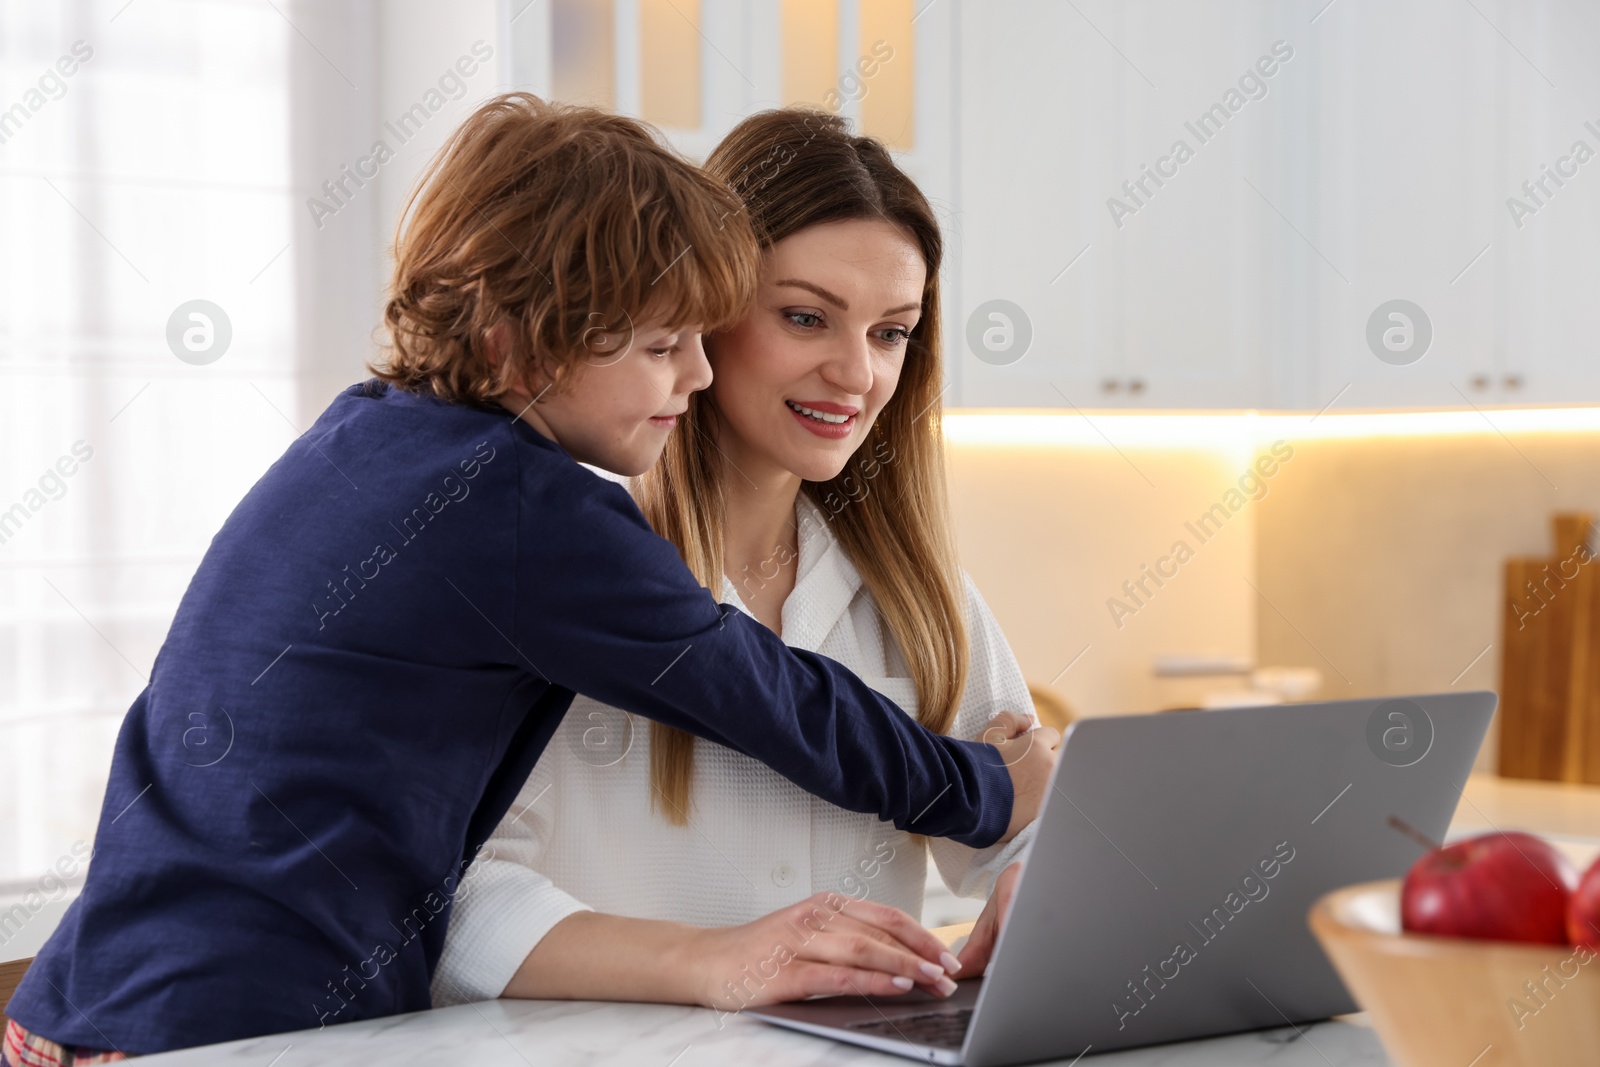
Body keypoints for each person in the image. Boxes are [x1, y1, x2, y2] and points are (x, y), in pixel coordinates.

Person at [1, 94, 1057, 1060]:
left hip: (128, 998)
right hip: (224, 1022)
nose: (689, 370)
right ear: (522, 337)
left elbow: (1056, 837)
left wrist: (1038, 850)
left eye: (894, 333)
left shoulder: (363, 440)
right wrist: (984, 784)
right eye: (665, 340)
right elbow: (759, 689)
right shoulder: (529, 519)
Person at [433, 109, 1054, 1016]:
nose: (857, 374)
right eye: (807, 317)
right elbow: (452, 901)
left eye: (891, 333)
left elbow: (1024, 822)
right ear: (697, 310)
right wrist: (719, 958)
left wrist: (1033, 883)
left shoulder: (922, 600)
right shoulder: (550, 579)